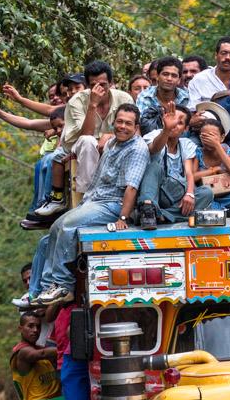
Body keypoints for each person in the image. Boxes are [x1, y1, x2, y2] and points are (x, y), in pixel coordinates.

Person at [32, 104, 150, 306]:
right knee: (56, 227)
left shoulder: (137, 149)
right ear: (114, 122)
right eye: (119, 122)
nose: (122, 126)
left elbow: (132, 187)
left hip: (112, 204)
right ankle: (48, 286)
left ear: (136, 126)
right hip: (95, 200)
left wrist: (123, 218)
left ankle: (62, 286)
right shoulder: (113, 142)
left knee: (68, 225)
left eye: (128, 123)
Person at [34, 60, 134, 216]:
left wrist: (110, 136)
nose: (99, 88)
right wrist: (92, 105)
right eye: (94, 85)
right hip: (80, 144)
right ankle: (89, 198)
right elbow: (85, 135)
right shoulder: (77, 101)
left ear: (111, 83)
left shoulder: (124, 98)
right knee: (88, 142)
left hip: (116, 143)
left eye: (103, 84)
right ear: (87, 86)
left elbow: (133, 130)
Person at [187, 36, 230, 182]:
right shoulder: (199, 80)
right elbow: (192, 116)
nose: (227, 58)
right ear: (216, 55)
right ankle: (193, 189)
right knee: (190, 144)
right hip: (203, 133)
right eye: (223, 53)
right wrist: (198, 122)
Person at [137, 102, 213, 229]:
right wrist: (166, 130)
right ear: (164, 120)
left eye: (180, 123)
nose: (174, 125)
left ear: (186, 129)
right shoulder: (155, 135)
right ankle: (148, 209)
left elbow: (189, 172)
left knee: (206, 193)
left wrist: (189, 194)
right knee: (154, 167)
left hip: (176, 193)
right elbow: (154, 148)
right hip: (155, 191)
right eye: (171, 120)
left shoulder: (186, 144)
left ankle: (162, 215)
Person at [136, 56, 190, 133]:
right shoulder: (145, 96)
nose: (169, 79)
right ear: (157, 76)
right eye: (165, 74)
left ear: (179, 80)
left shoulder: (186, 98)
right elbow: (140, 124)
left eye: (174, 76)